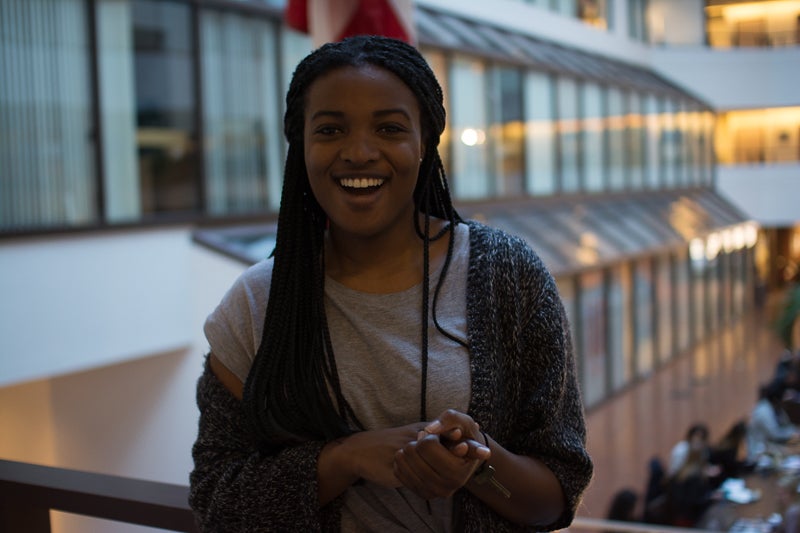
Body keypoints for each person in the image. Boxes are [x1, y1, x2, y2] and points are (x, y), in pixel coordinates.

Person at [188, 35, 593, 532]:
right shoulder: (257, 304)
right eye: (331, 129)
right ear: (302, 145)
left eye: (389, 128)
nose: (359, 152)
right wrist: (347, 459)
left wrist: (476, 463)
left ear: (424, 142)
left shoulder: (507, 274)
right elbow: (217, 500)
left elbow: (554, 500)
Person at [747, 380, 800, 463]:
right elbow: (775, 434)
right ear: (777, 398)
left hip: (771, 449)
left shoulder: (776, 408)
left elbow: (786, 424)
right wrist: (793, 432)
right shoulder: (763, 411)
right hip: (759, 456)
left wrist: (794, 430)